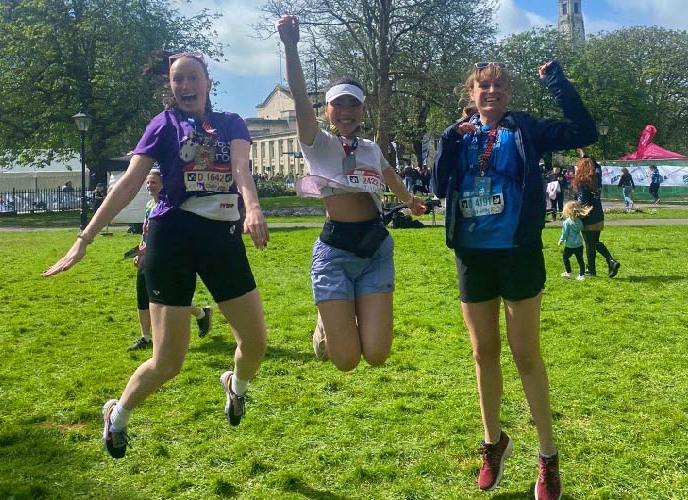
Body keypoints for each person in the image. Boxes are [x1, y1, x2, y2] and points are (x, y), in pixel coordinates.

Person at [43, 51, 269, 458]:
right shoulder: (163, 125)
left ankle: (236, 388)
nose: (184, 86)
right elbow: (128, 184)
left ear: (207, 82)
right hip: (173, 239)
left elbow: (241, 171)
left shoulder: (231, 123)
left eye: (192, 78)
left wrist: (253, 208)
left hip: (222, 239)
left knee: (255, 344)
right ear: (171, 86)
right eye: (176, 80)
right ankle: (117, 415)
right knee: (168, 362)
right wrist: (85, 237)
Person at [432, 60, 598, 500]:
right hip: (472, 256)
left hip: (517, 254)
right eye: (483, 85)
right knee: (483, 352)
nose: (491, 91)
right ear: (471, 92)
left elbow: (584, 131)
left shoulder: (526, 129)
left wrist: (556, 82)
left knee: (525, 355)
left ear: (508, 92)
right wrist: (449, 138)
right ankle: (493, 443)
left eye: (499, 85)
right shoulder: (458, 133)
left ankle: (547, 456)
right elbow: (438, 186)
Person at [278, 15, 426, 371]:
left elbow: (390, 177)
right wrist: (291, 47)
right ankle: (327, 322)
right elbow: (299, 97)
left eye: (353, 105)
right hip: (335, 252)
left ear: (362, 109)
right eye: (338, 105)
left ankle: (344, 312)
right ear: (327, 109)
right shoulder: (318, 145)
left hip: (375, 248)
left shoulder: (371, 149)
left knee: (376, 355)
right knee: (345, 361)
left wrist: (411, 201)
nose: (346, 112)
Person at [128, 168, 213, 351]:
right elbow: (146, 233)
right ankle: (146, 337)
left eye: (154, 183)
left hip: (165, 258)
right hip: (147, 257)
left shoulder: (172, 207)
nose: (150, 186)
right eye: (148, 183)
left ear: (164, 184)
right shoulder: (149, 206)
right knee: (143, 297)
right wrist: (140, 252)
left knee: (167, 300)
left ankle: (200, 314)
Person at [574, 157, 620, 278]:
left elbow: (583, 202)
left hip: (588, 216)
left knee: (589, 244)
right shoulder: (596, 179)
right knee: (595, 242)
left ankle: (592, 270)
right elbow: (597, 167)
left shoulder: (582, 182)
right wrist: (585, 156)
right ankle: (610, 261)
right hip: (598, 215)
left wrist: (574, 212)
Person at [558, 201, 589, 280]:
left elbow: (565, 234)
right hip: (579, 244)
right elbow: (581, 228)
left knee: (565, 257)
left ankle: (568, 272)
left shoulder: (566, 222)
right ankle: (582, 275)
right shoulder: (579, 221)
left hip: (569, 245)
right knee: (580, 259)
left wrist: (561, 240)